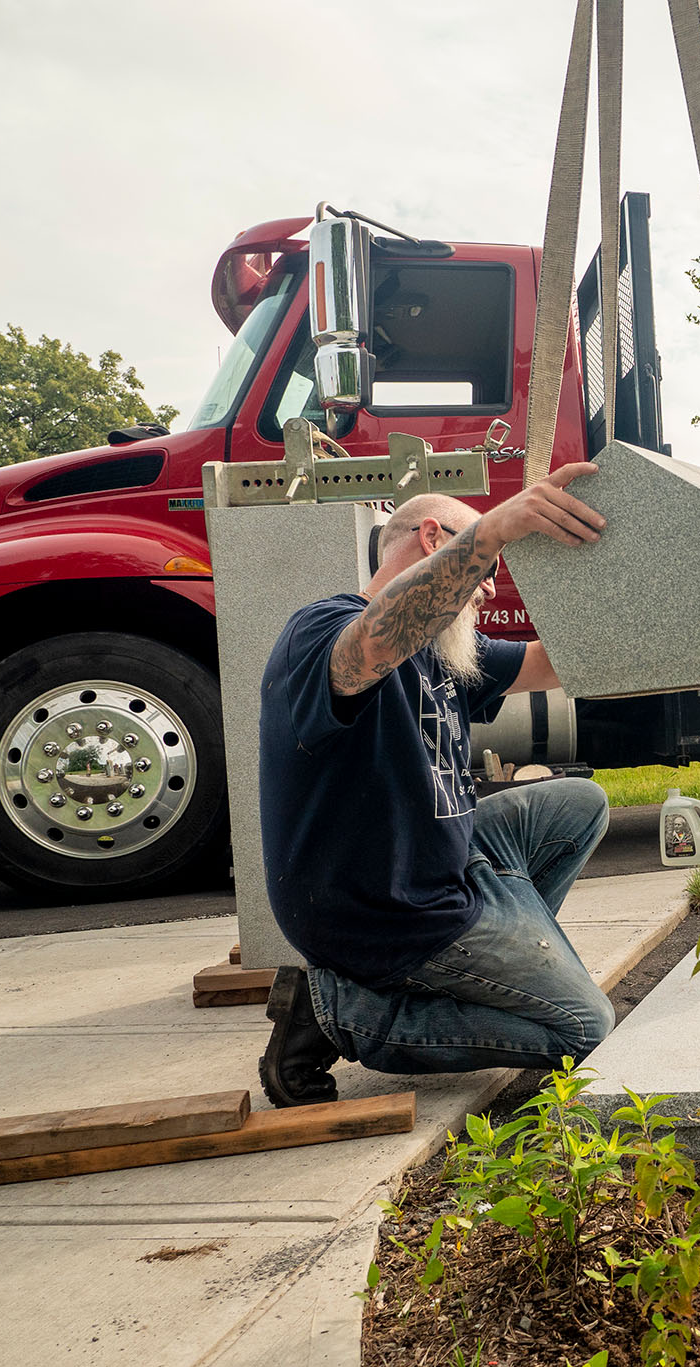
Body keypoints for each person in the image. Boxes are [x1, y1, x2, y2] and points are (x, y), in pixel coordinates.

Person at [256, 464, 615, 1106]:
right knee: (585, 1026)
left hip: (448, 870)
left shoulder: (445, 651)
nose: (485, 591)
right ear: (432, 538)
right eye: (483, 571)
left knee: (580, 804)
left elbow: (550, 661)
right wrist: (496, 528)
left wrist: (671, 611)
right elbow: (373, 643)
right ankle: (341, 1010)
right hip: (385, 913)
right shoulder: (321, 629)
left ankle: (474, 962)